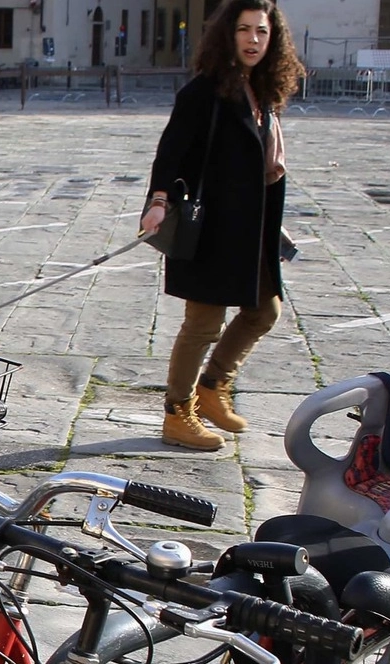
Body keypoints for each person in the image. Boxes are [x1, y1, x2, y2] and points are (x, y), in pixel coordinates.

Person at [140, 0, 303, 451]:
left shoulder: (262, 92)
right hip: (212, 229)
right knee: (203, 323)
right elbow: (171, 154)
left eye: (262, 32)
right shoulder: (204, 93)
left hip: (252, 231)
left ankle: (212, 387)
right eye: (245, 30)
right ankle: (177, 413)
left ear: (274, 40)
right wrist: (158, 202)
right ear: (227, 35)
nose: (253, 40)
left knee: (263, 311)